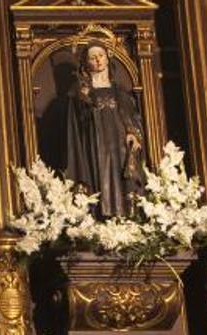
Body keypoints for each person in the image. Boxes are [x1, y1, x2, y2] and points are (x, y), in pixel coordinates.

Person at [65, 42, 144, 218]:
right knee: (100, 182)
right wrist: (84, 99)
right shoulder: (80, 92)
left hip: (120, 147)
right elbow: (77, 125)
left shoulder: (120, 91)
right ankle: (101, 218)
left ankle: (127, 217)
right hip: (95, 146)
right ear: (86, 63)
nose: (98, 60)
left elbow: (131, 117)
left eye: (100, 55)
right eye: (92, 57)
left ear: (107, 58)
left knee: (124, 182)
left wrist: (133, 133)